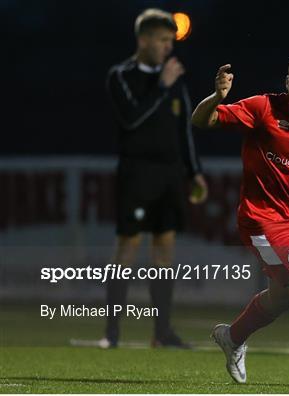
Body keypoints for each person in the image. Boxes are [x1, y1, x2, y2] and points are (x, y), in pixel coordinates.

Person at [192, 51, 289, 387]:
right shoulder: (263, 108)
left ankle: (232, 337)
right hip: (261, 221)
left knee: (286, 297)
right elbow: (200, 121)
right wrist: (217, 97)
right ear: (287, 83)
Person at [103, 8, 207, 348]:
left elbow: (184, 132)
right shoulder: (121, 75)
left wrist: (194, 172)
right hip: (136, 173)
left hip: (169, 175)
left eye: (170, 41)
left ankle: (161, 333)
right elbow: (131, 119)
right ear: (143, 39)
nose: (167, 47)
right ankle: (112, 333)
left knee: (164, 250)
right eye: (162, 40)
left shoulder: (174, 80)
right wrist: (161, 87)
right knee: (128, 247)